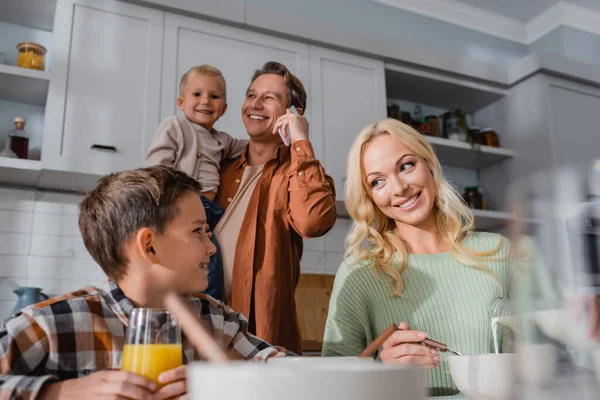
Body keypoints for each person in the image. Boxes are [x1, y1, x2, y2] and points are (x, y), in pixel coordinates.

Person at [321, 118, 600, 396]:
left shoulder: (502, 253)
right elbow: (331, 387)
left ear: (429, 165)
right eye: (378, 181)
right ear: (369, 197)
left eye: (406, 166)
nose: (398, 188)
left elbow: (574, 346)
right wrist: (383, 374)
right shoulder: (360, 273)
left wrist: (588, 324)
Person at [0, 166, 287, 400]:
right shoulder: (49, 326)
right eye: (198, 231)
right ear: (149, 246)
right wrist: (58, 392)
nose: (211, 248)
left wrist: (234, 386)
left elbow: (293, 375)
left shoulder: (218, 322)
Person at [214, 61, 337, 354]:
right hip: (205, 325)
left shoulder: (299, 172)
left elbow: (313, 222)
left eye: (270, 97)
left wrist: (300, 140)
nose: (255, 104)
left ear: (292, 114)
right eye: (251, 95)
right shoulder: (218, 167)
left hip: (260, 334)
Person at [145, 65, 247, 300]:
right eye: (197, 94)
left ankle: (210, 306)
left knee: (221, 255)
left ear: (223, 108)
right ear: (181, 102)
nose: (206, 101)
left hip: (211, 212)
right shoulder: (175, 126)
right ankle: (199, 306)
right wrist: (165, 200)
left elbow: (250, 148)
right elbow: (156, 167)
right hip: (181, 205)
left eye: (214, 96)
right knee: (202, 260)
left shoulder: (222, 140)